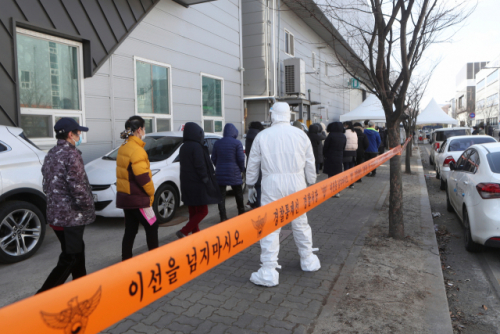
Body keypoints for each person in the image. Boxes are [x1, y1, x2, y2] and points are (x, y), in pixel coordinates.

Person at [246, 102, 319, 287]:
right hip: (297, 183)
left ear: (273, 115)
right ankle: (307, 259)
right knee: (301, 222)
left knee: (270, 225)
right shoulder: (301, 134)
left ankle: (269, 270)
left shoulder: (262, 136)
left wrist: (250, 185)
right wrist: (311, 181)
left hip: (271, 183)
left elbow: (253, 162)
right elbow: (310, 161)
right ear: (288, 114)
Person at [37, 118, 95, 293]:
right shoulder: (71, 154)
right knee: (70, 257)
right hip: (71, 217)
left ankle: (81, 286)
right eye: (78, 133)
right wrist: (88, 206)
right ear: (71, 135)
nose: (79, 136)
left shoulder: (51, 153)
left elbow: (46, 183)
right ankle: (42, 297)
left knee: (77, 251)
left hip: (56, 214)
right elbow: (78, 187)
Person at [116, 116, 158, 261]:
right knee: (152, 225)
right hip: (138, 198)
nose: (144, 131)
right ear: (139, 130)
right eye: (144, 128)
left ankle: (126, 261)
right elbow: (143, 177)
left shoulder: (124, 147)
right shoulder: (137, 150)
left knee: (130, 230)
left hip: (126, 197)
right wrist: (151, 193)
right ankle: (155, 261)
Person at [178, 122, 221, 237]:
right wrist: (206, 179)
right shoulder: (196, 146)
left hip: (186, 184)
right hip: (197, 184)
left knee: (193, 212)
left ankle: (195, 236)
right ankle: (184, 231)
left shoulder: (183, 147)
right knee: (203, 211)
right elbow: (200, 165)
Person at [211, 123, 246, 221]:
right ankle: (241, 213)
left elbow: (213, 158)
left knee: (221, 196)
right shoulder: (237, 143)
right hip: (234, 172)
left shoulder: (217, 143)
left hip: (220, 173)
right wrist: (241, 169)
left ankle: (223, 217)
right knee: (238, 193)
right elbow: (240, 158)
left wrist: (219, 166)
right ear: (234, 132)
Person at [323, 122, 346, 197]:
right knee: (338, 175)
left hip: (330, 157)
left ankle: (332, 191)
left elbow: (326, 147)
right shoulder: (343, 136)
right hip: (339, 157)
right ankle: (338, 191)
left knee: (331, 175)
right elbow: (343, 147)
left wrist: (325, 154)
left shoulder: (331, 135)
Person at [245, 122, 264, 208]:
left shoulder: (248, 137)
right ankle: (258, 205)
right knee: (259, 185)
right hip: (259, 164)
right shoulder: (260, 137)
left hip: (250, 163)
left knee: (254, 185)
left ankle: (253, 204)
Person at [343, 122, 358, 188]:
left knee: (346, 167)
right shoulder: (354, 132)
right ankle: (352, 183)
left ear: (347, 125)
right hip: (354, 151)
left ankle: (346, 182)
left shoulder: (345, 132)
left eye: (345, 125)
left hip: (346, 151)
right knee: (351, 168)